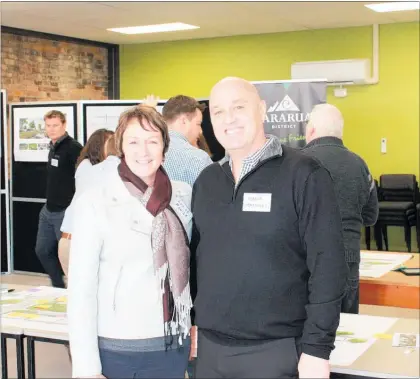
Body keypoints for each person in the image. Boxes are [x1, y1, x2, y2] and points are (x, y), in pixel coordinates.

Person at [191, 77, 348, 379]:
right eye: (219, 111)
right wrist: (192, 323)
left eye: (239, 107)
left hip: (275, 352)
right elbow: (197, 262)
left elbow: (329, 267)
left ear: (262, 109)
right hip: (210, 351)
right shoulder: (207, 181)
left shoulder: (304, 174)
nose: (229, 119)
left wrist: (317, 349)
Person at [67, 105, 193, 379]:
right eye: (134, 141)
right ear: (121, 146)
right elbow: (81, 290)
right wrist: (86, 368)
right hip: (118, 347)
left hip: (172, 344)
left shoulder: (180, 199)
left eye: (152, 141)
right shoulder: (94, 200)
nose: (143, 151)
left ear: (164, 147)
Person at [302, 103, 379, 314]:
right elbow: (371, 216)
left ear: (311, 130)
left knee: (310, 332)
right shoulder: (360, 164)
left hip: (306, 262)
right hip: (348, 259)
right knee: (347, 329)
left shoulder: (295, 164)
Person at [58, 129, 116, 278]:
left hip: (74, 241)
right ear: (99, 146)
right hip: (77, 242)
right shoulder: (90, 168)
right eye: (110, 144)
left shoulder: (86, 166)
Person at [35, 110, 82, 288]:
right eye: (48, 125)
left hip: (64, 211)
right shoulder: (53, 146)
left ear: (64, 125)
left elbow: (82, 177)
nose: (52, 129)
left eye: (55, 125)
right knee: (42, 250)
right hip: (48, 210)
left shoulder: (73, 148)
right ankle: (58, 286)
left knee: (69, 257)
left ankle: (75, 291)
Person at [161, 95, 213, 187]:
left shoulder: (149, 155)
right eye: (198, 124)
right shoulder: (199, 158)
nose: (200, 131)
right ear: (184, 121)